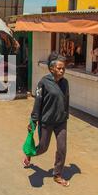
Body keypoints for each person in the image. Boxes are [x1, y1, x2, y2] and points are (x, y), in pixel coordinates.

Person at [24, 52, 71, 187]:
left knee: (62, 148)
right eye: (59, 68)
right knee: (43, 147)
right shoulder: (43, 83)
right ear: (51, 69)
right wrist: (33, 121)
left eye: (63, 68)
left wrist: (65, 115)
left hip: (61, 122)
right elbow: (38, 103)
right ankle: (29, 153)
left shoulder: (65, 83)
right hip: (46, 121)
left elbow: (66, 99)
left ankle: (57, 174)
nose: (62, 71)